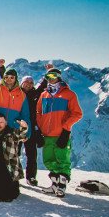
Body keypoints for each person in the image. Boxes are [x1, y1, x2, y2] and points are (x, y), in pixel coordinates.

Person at [36, 67, 82, 197]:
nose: (50, 79)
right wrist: (39, 128)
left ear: (59, 77)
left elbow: (77, 114)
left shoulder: (69, 94)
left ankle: (62, 186)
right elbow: (38, 112)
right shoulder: (44, 95)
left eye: (53, 76)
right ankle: (54, 185)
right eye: (48, 77)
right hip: (46, 135)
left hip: (61, 134)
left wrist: (66, 128)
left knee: (62, 160)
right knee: (48, 160)